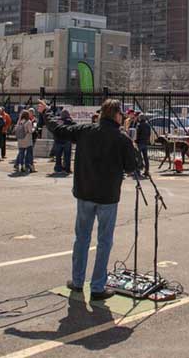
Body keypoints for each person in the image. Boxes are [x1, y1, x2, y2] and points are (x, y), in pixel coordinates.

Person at [43, 99, 137, 300]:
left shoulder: (86, 130)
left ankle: (78, 281)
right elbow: (132, 166)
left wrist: (46, 113)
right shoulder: (121, 137)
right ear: (117, 115)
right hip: (107, 197)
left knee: (82, 238)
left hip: (85, 192)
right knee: (104, 241)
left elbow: (59, 130)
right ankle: (97, 286)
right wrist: (130, 144)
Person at [53, 108, 74, 175]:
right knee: (67, 156)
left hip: (58, 140)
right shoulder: (69, 121)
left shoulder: (57, 121)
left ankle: (58, 168)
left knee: (58, 156)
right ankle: (67, 169)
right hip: (67, 140)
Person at [134, 112, 151, 177]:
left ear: (140, 118)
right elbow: (149, 134)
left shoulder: (139, 125)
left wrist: (136, 141)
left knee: (138, 157)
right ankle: (147, 171)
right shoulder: (148, 125)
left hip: (139, 143)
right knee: (145, 157)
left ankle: (138, 170)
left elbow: (137, 134)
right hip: (145, 143)